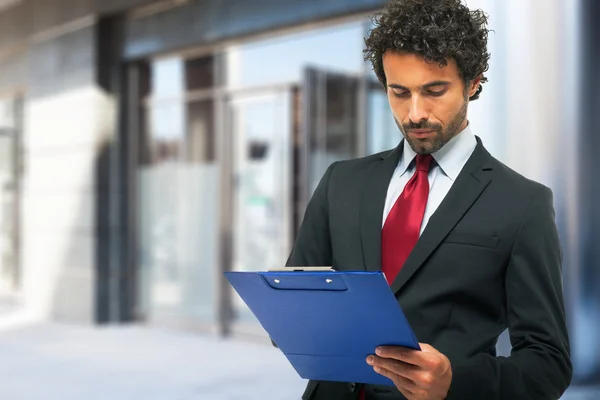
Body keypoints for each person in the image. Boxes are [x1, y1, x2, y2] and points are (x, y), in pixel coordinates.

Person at [286, 0, 573, 399]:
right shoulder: (341, 182)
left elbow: (548, 363)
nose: (415, 113)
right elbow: (298, 302)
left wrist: (455, 381)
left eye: (434, 90)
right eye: (398, 92)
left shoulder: (523, 204)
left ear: (473, 83)